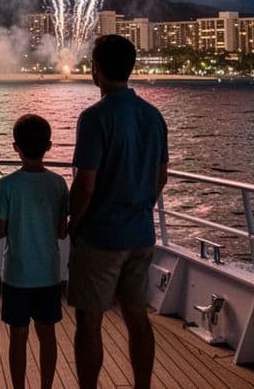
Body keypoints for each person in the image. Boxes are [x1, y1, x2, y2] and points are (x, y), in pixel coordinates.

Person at [67, 35, 169, 388]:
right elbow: (162, 176)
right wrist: (140, 205)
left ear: (96, 69)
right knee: (138, 316)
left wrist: (73, 223)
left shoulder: (95, 118)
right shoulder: (154, 116)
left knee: (89, 320)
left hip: (101, 236)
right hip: (141, 234)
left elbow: (86, 185)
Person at [0, 114, 69, 389]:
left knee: (18, 336)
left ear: (16, 147)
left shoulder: (7, 185)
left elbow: (0, 231)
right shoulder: (59, 184)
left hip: (17, 274)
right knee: (47, 334)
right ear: (49, 146)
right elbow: (62, 231)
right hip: (48, 274)